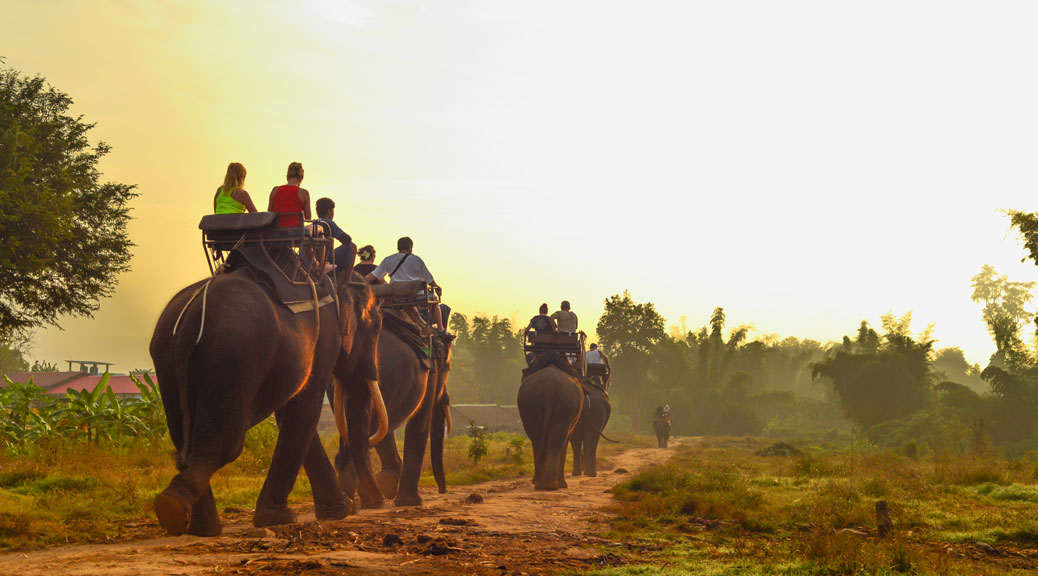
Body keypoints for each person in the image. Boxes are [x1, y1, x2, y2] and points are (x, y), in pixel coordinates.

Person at [366, 236, 446, 334]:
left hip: (396, 295)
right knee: (434, 302)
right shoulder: (417, 260)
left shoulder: (388, 259)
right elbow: (429, 279)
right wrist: (437, 287)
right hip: (415, 294)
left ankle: (422, 324)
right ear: (410, 247)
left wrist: (359, 281)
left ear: (398, 247)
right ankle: (441, 329)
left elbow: (374, 275)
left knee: (408, 305)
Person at [315, 197, 356, 274]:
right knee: (352, 246)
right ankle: (347, 281)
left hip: (311, 258)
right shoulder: (327, 222)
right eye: (332, 211)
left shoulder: (314, 223)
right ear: (328, 211)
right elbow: (346, 239)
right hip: (325, 258)